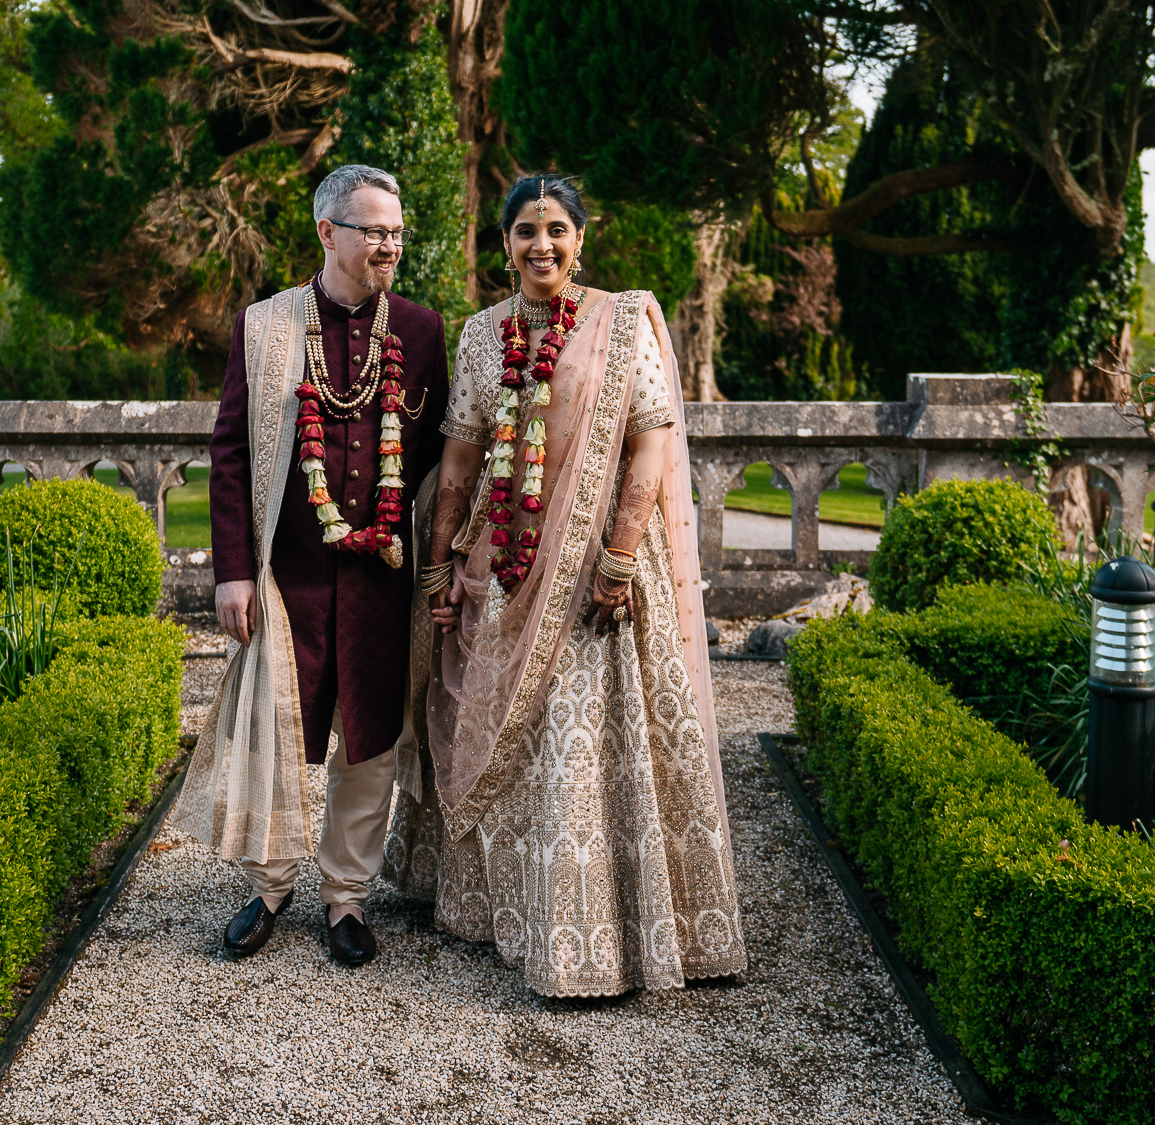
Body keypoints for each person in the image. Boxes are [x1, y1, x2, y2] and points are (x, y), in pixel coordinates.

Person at [385, 174, 747, 997]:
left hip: (597, 570)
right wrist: (440, 562)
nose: (540, 244)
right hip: (505, 559)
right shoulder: (482, 335)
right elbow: (463, 457)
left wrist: (619, 554)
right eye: (523, 230)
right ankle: (496, 911)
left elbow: (651, 441)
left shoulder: (622, 324)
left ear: (581, 240)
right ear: (504, 245)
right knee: (496, 727)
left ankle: (600, 932)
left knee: (580, 740)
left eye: (555, 229)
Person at [176, 163, 449, 967]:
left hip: (382, 577)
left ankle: (346, 897)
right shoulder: (263, 327)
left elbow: (437, 461)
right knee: (276, 732)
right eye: (374, 231)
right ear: (328, 232)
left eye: (396, 231)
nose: (388, 245)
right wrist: (231, 570)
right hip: (283, 570)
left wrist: (440, 566)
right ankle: (268, 886)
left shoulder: (424, 330)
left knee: (369, 737)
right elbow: (229, 451)